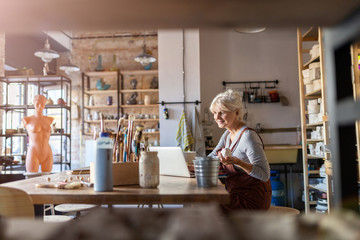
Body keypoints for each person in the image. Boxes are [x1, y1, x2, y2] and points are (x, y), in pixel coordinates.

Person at [208, 89, 271, 214]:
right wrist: (190, 164)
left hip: (252, 200)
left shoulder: (248, 136)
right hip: (234, 194)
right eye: (215, 113)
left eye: (222, 113)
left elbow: (264, 174)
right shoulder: (227, 134)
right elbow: (211, 157)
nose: (217, 117)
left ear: (236, 112)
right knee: (203, 204)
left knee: (207, 207)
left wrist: (238, 162)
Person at [22, 95, 54, 172]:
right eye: (37, 103)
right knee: (32, 180)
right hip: (34, 152)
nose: (40, 106)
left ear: (45, 105)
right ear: (33, 103)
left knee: (47, 180)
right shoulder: (27, 119)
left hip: (47, 152)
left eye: (42, 104)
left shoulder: (49, 119)